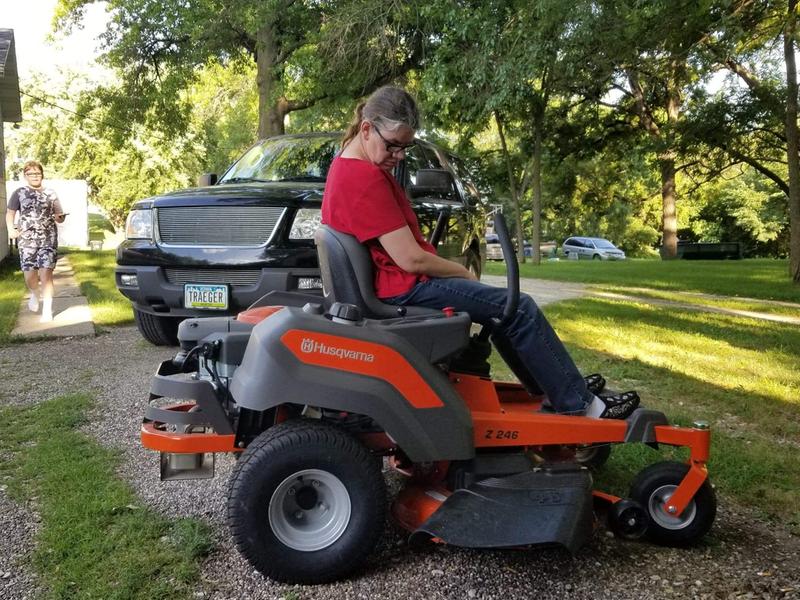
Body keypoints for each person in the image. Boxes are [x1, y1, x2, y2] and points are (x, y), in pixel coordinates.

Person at [321, 86, 640, 419]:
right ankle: (580, 405)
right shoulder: (365, 178)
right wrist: (462, 272)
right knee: (519, 308)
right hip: (402, 288)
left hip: (393, 284)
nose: (399, 155)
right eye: (393, 145)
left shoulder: (346, 164)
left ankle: (558, 386)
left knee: (504, 311)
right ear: (367, 128)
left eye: (405, 147)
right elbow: (410, 259)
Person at [6, 161, 66, 322]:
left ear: (42, 175)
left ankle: (47, 309)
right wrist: (11, 229)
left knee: (46, 273)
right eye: (31, 174)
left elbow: (59, 216)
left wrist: (60, 217)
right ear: (25, 176)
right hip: (27, 240)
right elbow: (10, 213)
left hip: (48, 239)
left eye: (37, 173)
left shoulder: (51, 193)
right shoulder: (19, 193)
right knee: (29, 276)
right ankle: (35, 293)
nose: (34, 176)